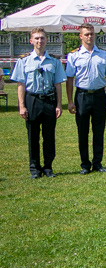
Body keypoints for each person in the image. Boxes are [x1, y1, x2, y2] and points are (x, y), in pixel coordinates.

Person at [12, 27, 65, 178]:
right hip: (32, 100)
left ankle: (48, 167)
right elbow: (21, 85)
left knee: (49, 136)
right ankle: (34, 169)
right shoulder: (24, 61)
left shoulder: (54, 61)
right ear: (31, 41)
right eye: (36, 38)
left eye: (42, 38)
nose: (39, 41)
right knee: (33, 137)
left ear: (46, 40)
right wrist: (22, 106)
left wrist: (59, 104)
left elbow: (57, 84)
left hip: (49, 100)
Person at [65, 23, 106, 174]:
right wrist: (69, 101)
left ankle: (98, 163)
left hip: (100, 95)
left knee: (99, 131)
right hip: (82, 96)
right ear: (80, 36)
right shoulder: (73, 55)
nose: (89, 36)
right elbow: (69, 79)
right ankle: (85, 164)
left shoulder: (103, 55)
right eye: (86, 34)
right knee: (83, 131)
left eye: (92, 34)